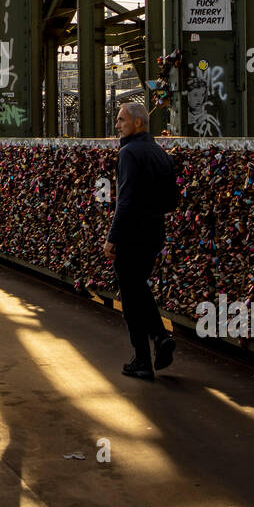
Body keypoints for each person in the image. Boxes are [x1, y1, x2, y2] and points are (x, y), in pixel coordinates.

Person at [103, 102, 180, 381]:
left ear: (138, 123)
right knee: (138, 289)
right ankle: (155, 344)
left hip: (131, 234)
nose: (117, 124)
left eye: (122, 119)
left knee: (132, 295)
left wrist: (112, 238)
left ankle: (147, 354)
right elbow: (172, 200)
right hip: (154, 231)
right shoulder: (160, 153)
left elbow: (124, 200)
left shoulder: (128, 153)